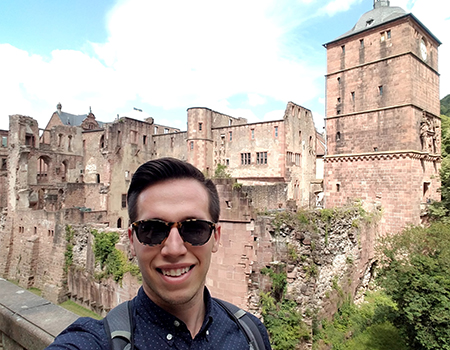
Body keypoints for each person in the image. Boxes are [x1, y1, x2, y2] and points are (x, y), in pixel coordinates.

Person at [46, 157, 272, 349]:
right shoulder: (96, 341)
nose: (174, 249)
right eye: (152, 230)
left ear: (216, 237)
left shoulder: (251, 333)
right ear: (132, 240)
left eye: (194, 228)